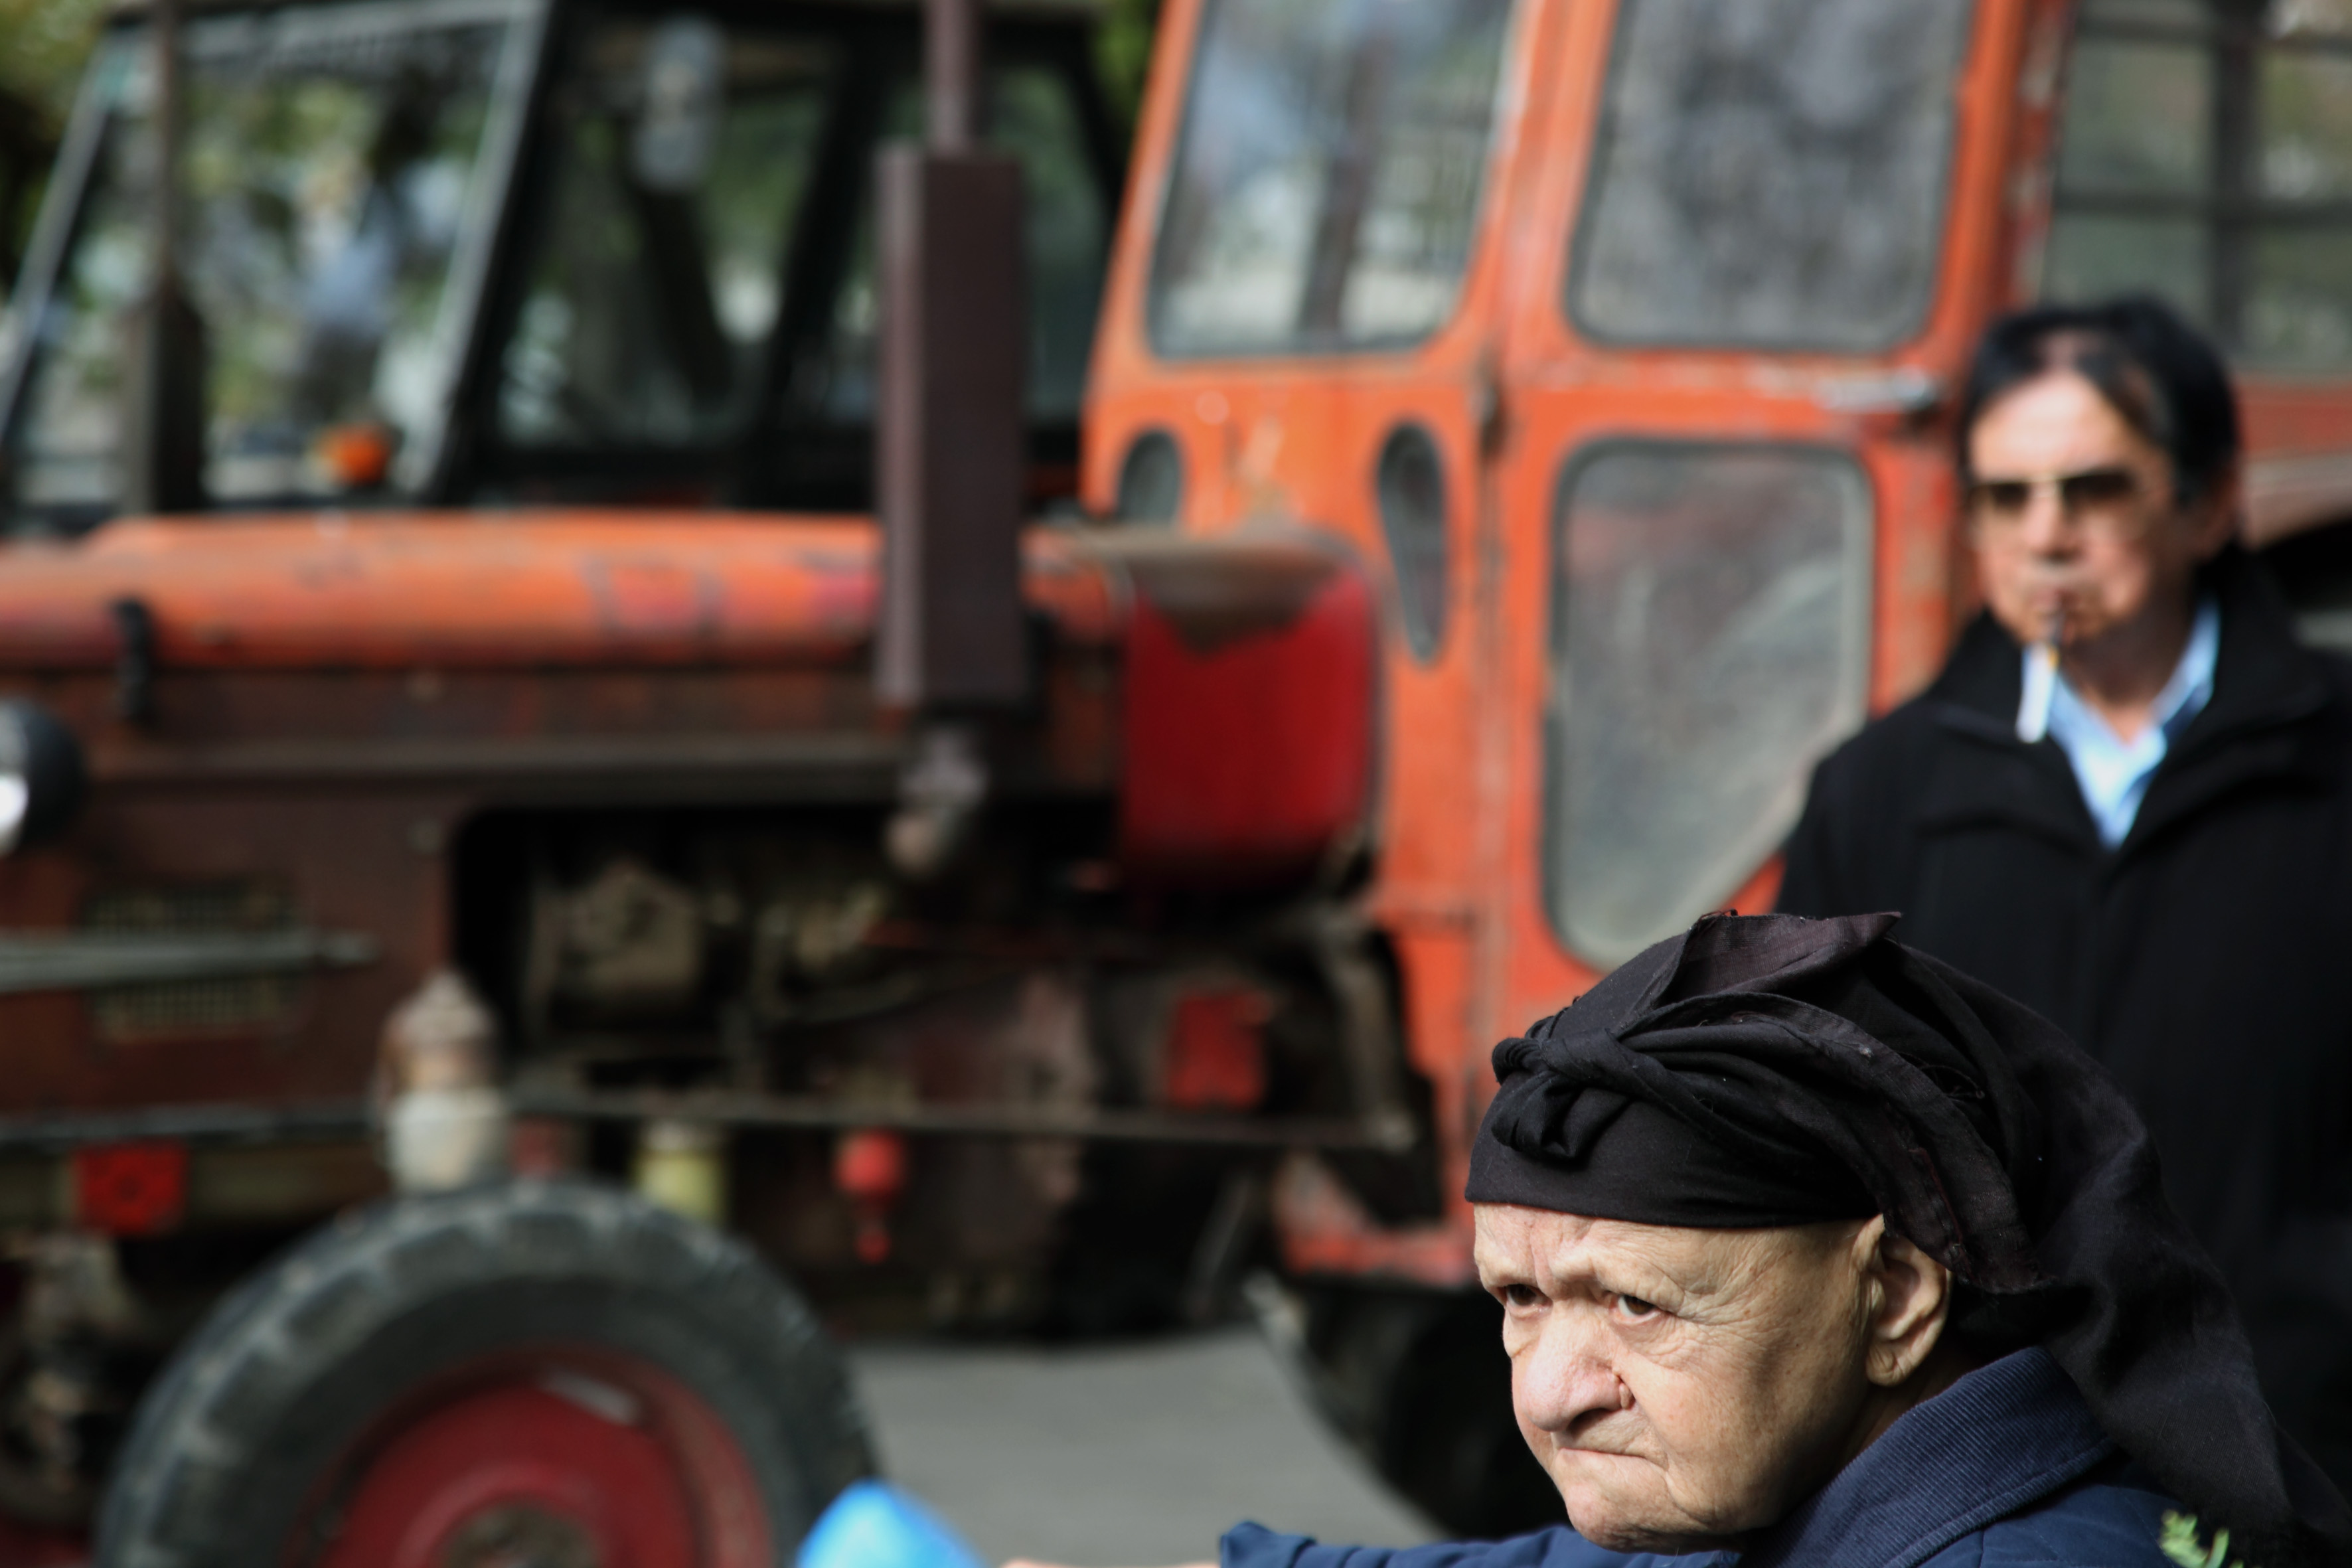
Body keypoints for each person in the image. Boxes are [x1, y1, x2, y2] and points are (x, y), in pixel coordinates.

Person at [1016, 915, 2348, 1568]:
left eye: (1637, 1306)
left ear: (1887, 1294)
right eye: (1519, 1297)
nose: (1551, 1389)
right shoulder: (1799, 1491)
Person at [1777, 296, 2352, 1490]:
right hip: (1989, 1462)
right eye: (2005, 496)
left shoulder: (2331, 755)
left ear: (2204, 502)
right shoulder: (1885, 790)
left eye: (2092, 491)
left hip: (2307, 1442)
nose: (2046, 536)